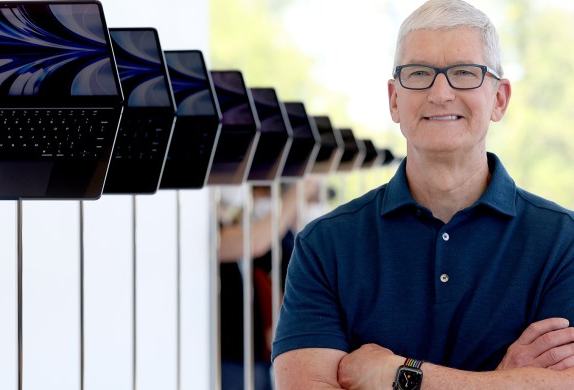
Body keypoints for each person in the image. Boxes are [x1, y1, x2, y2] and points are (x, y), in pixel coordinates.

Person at [271, 0, 574, 389]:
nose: (441, 92)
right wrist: (504, 380)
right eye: (419, 73)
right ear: (395, 99)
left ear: (499, 99)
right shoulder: (324, 245)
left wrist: (397, 374)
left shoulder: (562, 241)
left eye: (464, 72)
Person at [218, 179, 318, 390]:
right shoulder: (210, 231)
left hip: (255, 354)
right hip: (232, 357)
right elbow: (253, 242)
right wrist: (297, 193)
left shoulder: (232, 221)